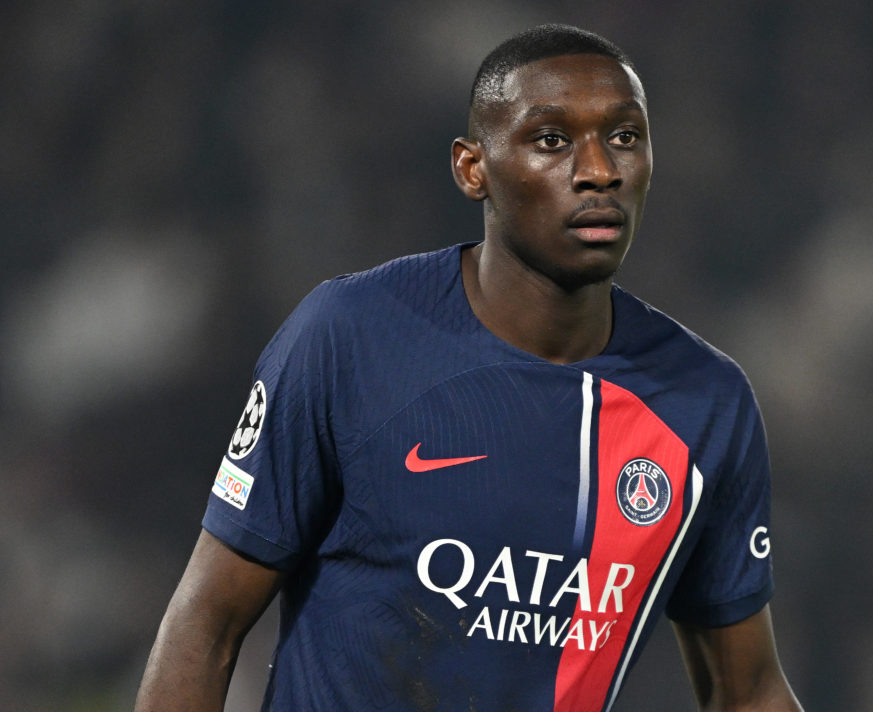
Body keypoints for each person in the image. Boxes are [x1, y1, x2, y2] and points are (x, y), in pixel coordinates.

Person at [134, 23, 803, 712]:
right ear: (471, 168)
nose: (599, 169)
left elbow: (747, 691)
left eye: (625, 136)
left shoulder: (703, 403)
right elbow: (206, 624)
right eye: (552, 140)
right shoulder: (349, 338)